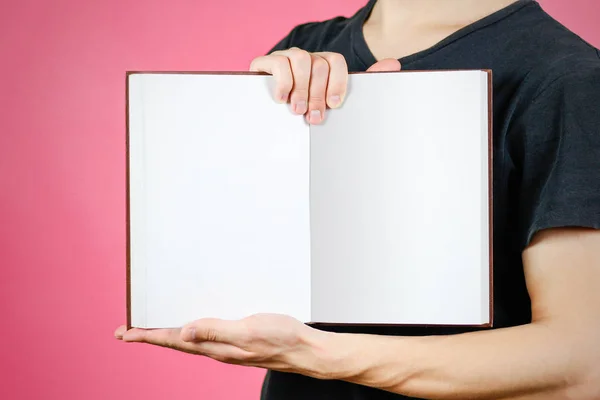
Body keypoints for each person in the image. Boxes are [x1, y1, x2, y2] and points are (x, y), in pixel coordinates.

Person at [115, 0, 600, 399]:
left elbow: (582, 362)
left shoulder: (566, 78)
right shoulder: (305, 46)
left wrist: (314, 354)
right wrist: (250, 117)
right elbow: (249, 258)